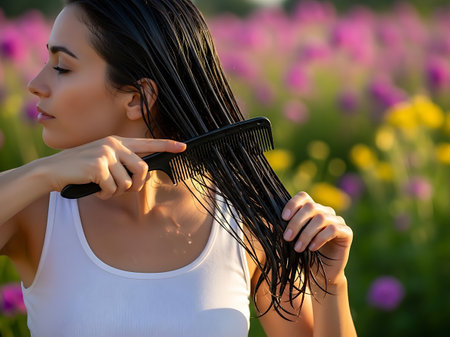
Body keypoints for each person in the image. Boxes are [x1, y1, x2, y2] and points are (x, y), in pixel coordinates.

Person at [0, 0, 356, 336]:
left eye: (62, 68)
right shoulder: (36, 211)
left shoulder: (243, 221)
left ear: (137, 98)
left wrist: (331, 285)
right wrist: (43, 172)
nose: (35, 84)